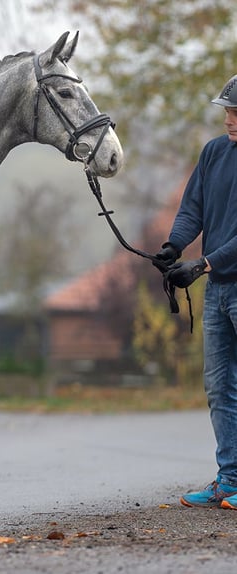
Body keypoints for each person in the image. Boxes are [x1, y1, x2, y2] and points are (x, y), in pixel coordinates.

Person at [155, 73, 237, 509]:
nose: (229, 119)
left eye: (236, 112)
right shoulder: (214, 153)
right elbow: (193, 208)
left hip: (226, 279)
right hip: (220, 292)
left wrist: (204, 264)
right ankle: (230, 480)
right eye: (227, 110)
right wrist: (173, 246)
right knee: (219, 386)